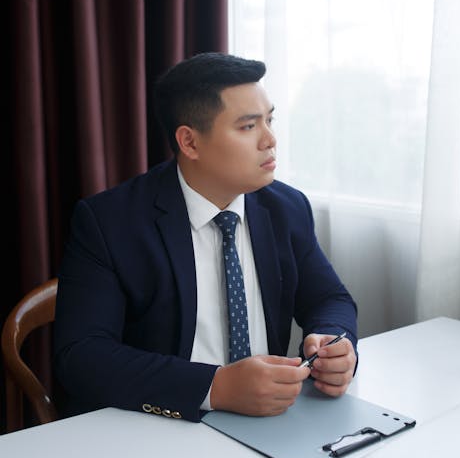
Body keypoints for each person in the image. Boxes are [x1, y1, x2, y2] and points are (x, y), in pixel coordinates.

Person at [54, 52, 358, 423]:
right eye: (248, 127)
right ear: (190, 142)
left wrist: (333, 342)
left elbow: (329, 298)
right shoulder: (109, 222)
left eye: (269, 120)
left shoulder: (287, 208)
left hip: (272, 423)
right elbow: (82, 356)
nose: (270, 140)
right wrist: (214, 387)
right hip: (155, 428)